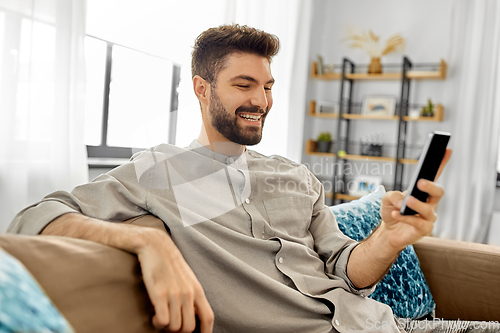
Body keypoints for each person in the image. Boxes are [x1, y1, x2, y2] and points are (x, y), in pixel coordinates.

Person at [8, 24, 451, 333]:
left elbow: (345, 270)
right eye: (244, 84)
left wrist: (390, 238)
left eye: (268, 86)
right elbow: (33, 216)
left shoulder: (294, 174)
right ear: (202, 89)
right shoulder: (157, 172)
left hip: (381, 324)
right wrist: (150, 242)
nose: (261, 100)